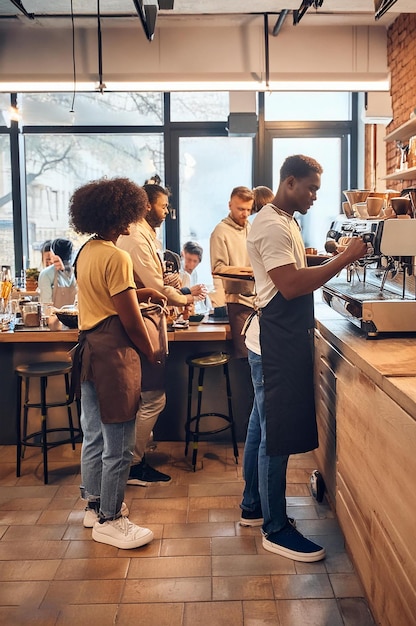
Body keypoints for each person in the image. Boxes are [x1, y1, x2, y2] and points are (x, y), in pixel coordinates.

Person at [239, 155, 367, 562]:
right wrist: (343, 258)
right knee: (275, 438)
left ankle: (253, 508)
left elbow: (292, 268)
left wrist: (325, 258)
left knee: (261, 429)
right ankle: (275, 529)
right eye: (310, 188)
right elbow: (291, 285)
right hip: (274, 343)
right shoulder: (272, 224)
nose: (314, 196)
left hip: (276, 339)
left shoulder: (285, 219)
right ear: (289, 182)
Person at [70, 177, 166, 549]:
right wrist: (150, 349)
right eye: (129, 213)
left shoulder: (87, 251)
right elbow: (128, 318)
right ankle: (111, 518)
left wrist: (141, 290)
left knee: (93, 436)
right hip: (113, 357)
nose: (133, 220)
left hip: (89, 352)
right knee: (121, 443)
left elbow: (103, 296)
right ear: (116, 214)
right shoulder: (117, 256)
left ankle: (93, 507)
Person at [117, 182, 205, 486]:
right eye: (163, 206)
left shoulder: (145, 235)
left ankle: (132, 459)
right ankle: (132, 464)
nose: (167, 212)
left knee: (148, 397)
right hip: (142, 322)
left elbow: (155, 278)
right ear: (146, 205)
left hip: (150, 319)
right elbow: (154, 287)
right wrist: (185, 296)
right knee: (152, 398)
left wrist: (171, 283)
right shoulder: (136, 238)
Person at [209, 186, 255, 359]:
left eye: (248, 210)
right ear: (230, 205)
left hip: (257, 301)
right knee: (246, 358)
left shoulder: (251, 228)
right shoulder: (220, 232)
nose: (245, 214)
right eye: (241, 209)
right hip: (237, 301)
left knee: (258, 360)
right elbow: (218, 269)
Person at [38, 238, 77, 308]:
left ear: (53, 254)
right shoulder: (77, 272)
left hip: (54, 317)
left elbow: (46, 305)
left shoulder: (46, 274)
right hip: (74, 317)